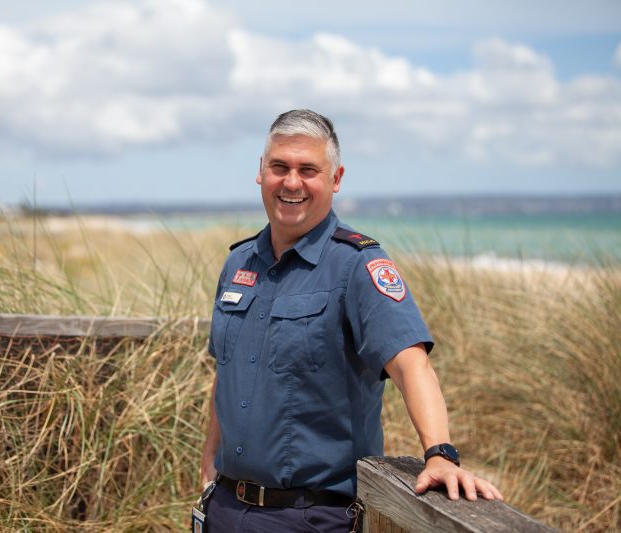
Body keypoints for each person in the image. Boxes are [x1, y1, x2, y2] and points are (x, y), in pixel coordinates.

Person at [199, 109, 502, 532]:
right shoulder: (238, 262)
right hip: (226, 510)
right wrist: (208, 465)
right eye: (279, 167)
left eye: (308, 170)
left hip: (310, 517)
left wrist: (440, 454)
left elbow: (410, 363)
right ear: (260, 172)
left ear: (336, 179)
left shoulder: (357, 265)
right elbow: (227, 373)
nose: (291, 182)